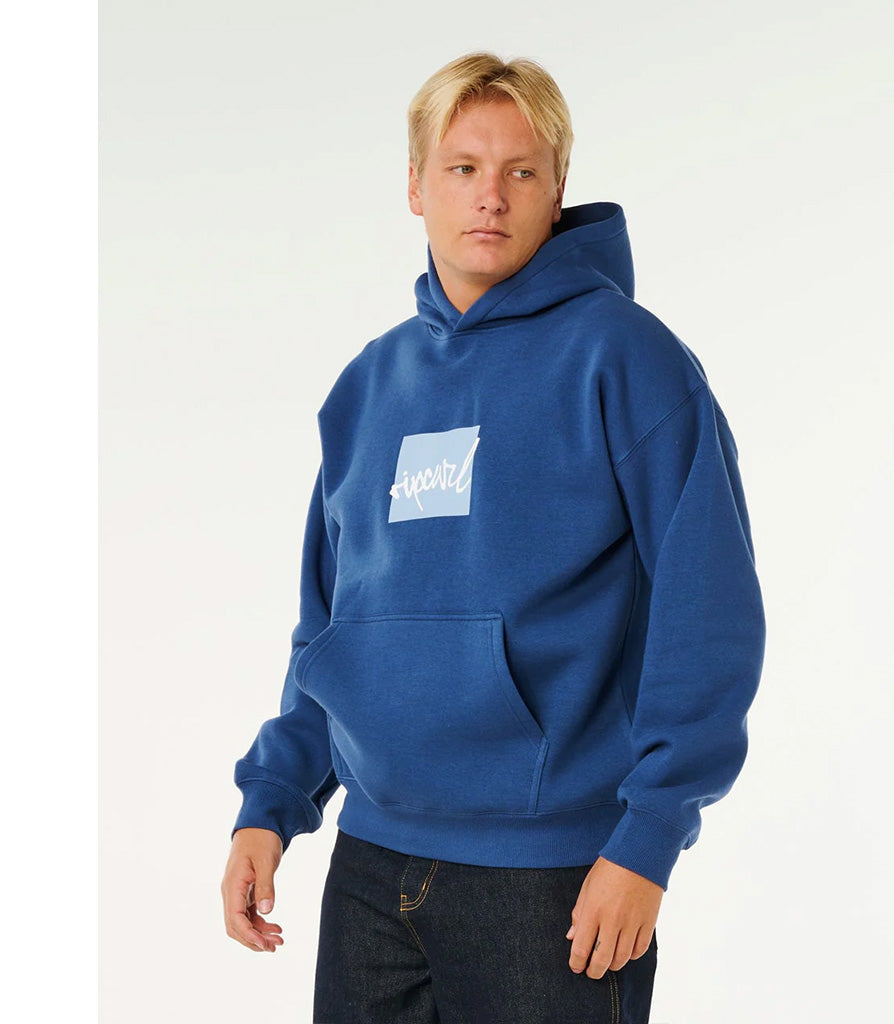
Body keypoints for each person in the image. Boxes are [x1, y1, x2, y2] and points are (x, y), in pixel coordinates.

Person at [220, 51, 766, 1024]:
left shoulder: (625, 357)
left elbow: (708, 609)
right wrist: (273, 798)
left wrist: (648, 840)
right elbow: (331, 626)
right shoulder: (369, 386)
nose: (491, 196)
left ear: (558, 188)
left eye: (521, 170)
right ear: (415, 185)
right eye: (463, 167)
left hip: (550, 876)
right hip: (369, 866)